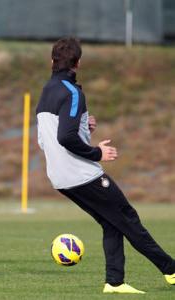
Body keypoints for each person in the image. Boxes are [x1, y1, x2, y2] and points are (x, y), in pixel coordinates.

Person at [36, 37, 175, 294]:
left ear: (51, 62)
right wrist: (96, 152)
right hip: (82, 174)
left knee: (112, 222)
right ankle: (171, 269)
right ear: (78, 63)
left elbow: (47, 140)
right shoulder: (72, 91)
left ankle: (115, 282)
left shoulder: (46, 91)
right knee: (128, 219)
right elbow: (64, 137)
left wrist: (83, 128)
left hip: (59, 177)